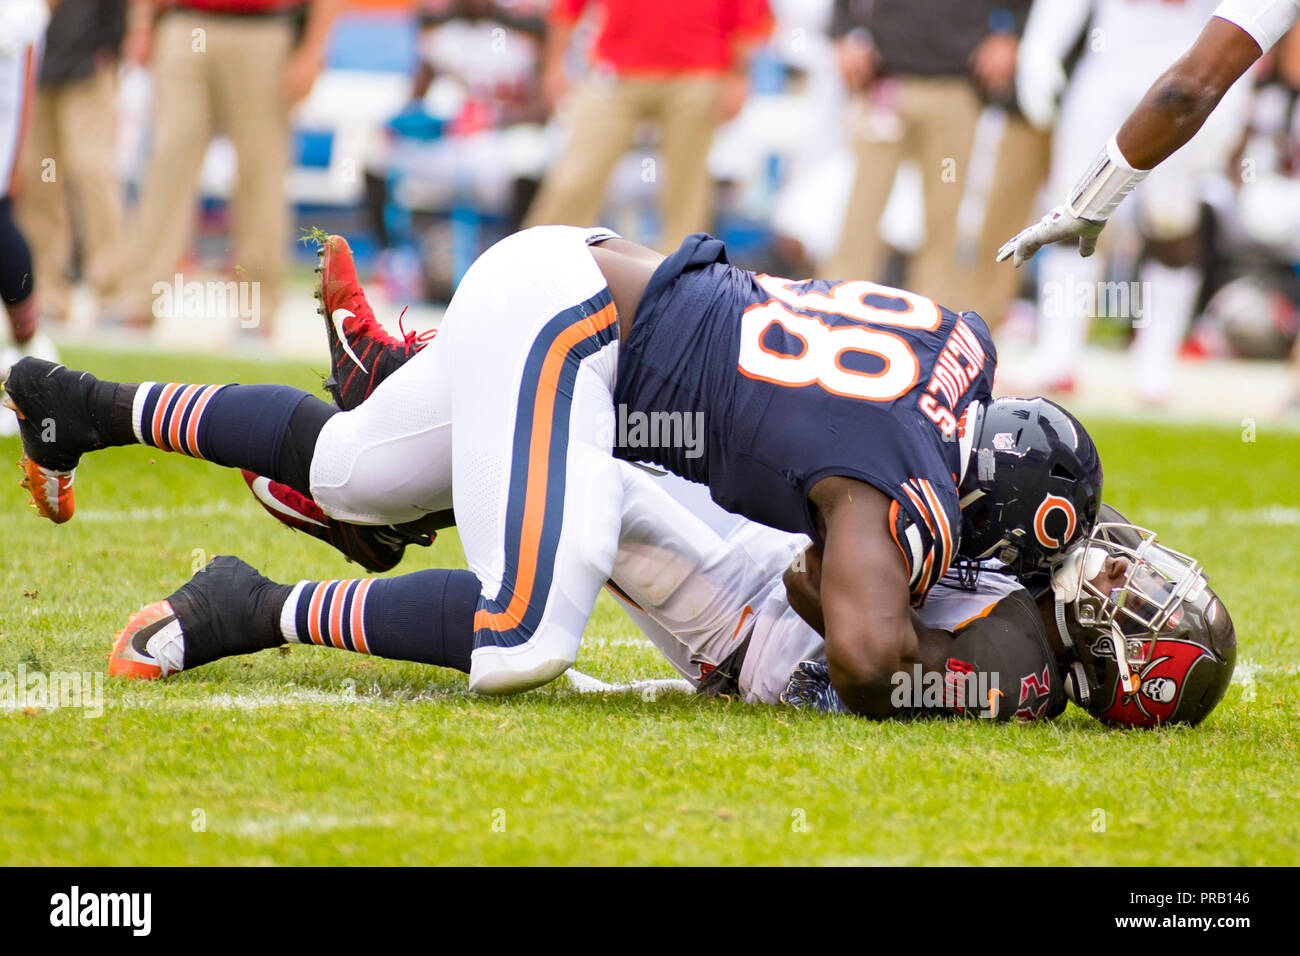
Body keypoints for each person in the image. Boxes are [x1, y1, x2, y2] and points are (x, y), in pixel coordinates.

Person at [2, 224, 1101, 718]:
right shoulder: (900, 476)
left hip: (574, 275)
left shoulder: (957, 345)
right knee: (526, 633)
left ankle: (78, 404)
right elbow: (861, 651)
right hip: (576, 337)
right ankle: (256, 605)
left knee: (350, 471)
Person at [996, 0, 1300, 267]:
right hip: (1109, 71)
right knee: (1069, 200)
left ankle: (1162, 334)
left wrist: (1088, 204)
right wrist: (1042, 47)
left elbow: (1189, 87)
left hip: (1184, 67)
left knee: (1170, 222)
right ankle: (1061, 331)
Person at [118, 0, 344, 330]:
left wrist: (313, 49)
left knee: (261, 171)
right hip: (185, 22)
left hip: (265, 30)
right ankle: (139, 296)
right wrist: (141, 24)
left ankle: (259, 306)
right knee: (167, 163)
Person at [523, 0, 772, 251]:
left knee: (686, 189)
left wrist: (740, 75)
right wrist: (554, 63)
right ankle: (538, 259)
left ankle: (681, 279)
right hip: (614, 71)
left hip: (699, 71)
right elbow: (568, 7)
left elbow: (746, 10)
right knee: (575, 177)